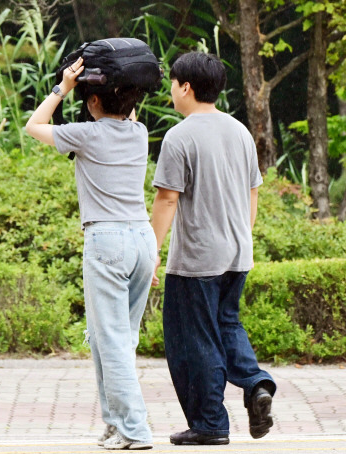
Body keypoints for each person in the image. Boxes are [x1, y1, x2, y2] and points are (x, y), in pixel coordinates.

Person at [25, 56, 155, 451]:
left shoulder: (86, 134)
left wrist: (62, 87)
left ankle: (135, 430)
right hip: (142, 240)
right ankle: (116, 423)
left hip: (107, 240)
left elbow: (33, 126)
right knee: (111, 339)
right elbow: (127, 109)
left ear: (93, 102)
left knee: (111, 340)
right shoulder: (140, 132)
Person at [150, 52, 276, 446]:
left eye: (173, 83)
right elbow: (252, 191)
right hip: (237, 252)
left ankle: (209, 424)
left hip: (196, 261)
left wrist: (151, 250)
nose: (171, 90)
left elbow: (167, 199)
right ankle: (256, 383)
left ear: (185, 87)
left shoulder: (180, 135)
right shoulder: (238, 130)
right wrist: (242, 236)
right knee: (226, 324)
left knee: (195, 339)